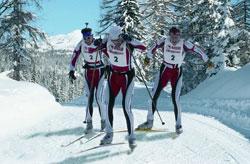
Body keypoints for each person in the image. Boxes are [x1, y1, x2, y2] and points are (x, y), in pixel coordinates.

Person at [136, 27, 210, 134]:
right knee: (153, 95)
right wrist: (148, 57)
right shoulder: (164, 41)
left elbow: (197, 50)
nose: (174, 38)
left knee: (175, 99)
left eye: (177, 36)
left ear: (179, 36)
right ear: (169, 35)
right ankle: (149, 121)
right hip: (165, 69)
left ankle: (178, 124)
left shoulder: (184, 43)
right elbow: (153, 47)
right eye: (172, 36)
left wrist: (206, 60)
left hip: (177, 71)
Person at [95, 25, 146, 149]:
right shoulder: (108, 41)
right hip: (113, 75)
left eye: (118, 40)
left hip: (127, 77)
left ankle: (131, 136)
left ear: (121, 36)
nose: (116, 43)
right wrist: (98, 43)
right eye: (113, 41)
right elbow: (98, 48)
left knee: (126, 107)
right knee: (107, 104)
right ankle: (109, 134)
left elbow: (143, 47)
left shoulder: (127, 43)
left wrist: (130, 39)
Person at [69, 27, 106, 134]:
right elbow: (74, 57)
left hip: (100, 71)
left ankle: (104, 123)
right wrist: (71, 70)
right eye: (86, 38)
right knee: (89, 98)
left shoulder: (98, 42)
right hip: (88, 72)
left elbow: (109, 47)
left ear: (92, 36)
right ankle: (89, 124)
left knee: (99, 97)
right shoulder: (81, 44)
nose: (88, 40)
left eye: (89, 37)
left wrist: (102, 45)